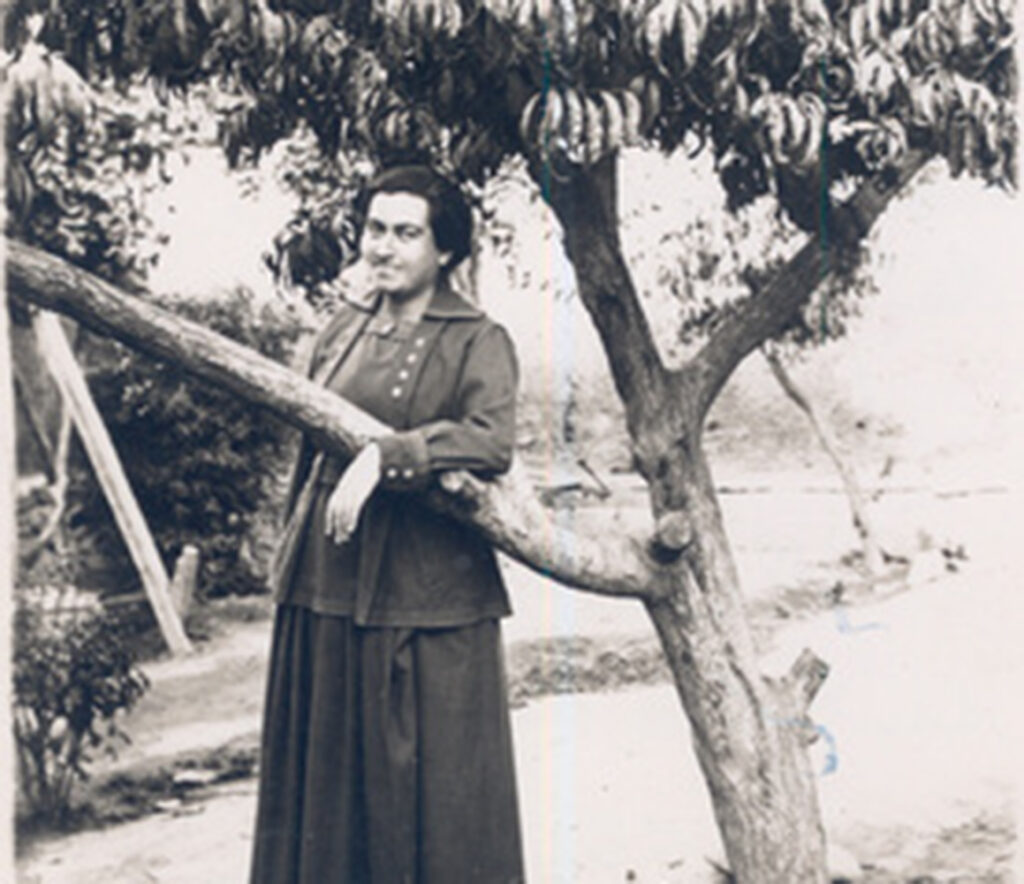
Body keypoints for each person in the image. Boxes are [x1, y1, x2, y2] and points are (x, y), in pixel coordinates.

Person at [250, 165, 524, 884]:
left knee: (435, 798)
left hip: (427, 595)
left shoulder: (478, 338)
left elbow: (490, 439)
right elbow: (307, 438)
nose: (384, 246)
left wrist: (391, 457)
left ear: (445, 250)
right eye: (376, 228)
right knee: (327, 802)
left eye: (407, 232)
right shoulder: (340, 329)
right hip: (325, 582)